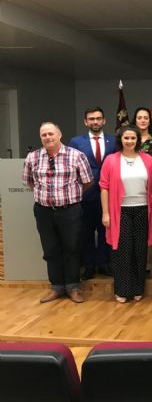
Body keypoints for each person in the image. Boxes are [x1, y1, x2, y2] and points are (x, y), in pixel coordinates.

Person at [23, 122, 93, 304]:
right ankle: (56, 287)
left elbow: (87, 182)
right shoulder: (33, 157)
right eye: (44, 135)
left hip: (70, 210)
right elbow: (29, 182)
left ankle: (73, 287)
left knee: (72, 248)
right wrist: (46, 197)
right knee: (50, 249)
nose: (48, 137)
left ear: (59, 135)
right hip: (43, 211)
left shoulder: (76, 156)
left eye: (51, 134)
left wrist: (69, 196)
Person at [100, 126, 152, 303]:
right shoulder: (111, 160)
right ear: (121, 140)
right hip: (120, 210)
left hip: (142, 209)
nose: (130, 141)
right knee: (122, 250)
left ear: (138, 140)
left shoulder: (147, 159)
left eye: (133, 138)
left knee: (140, 250)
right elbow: (104, 187)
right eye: (126, 138)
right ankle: (122, 290)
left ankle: (138, 287)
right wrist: (106, 213)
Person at [68, 107, 116, 280]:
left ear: (104, 121)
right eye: (91, 119)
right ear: (85, 122)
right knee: (86, 231)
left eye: (98, 118)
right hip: (84, 193)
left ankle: (104, 263)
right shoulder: (75, 142)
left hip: (108, 193)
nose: (95, 122)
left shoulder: (114, 140)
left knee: (106, 230)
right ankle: (89, 265)